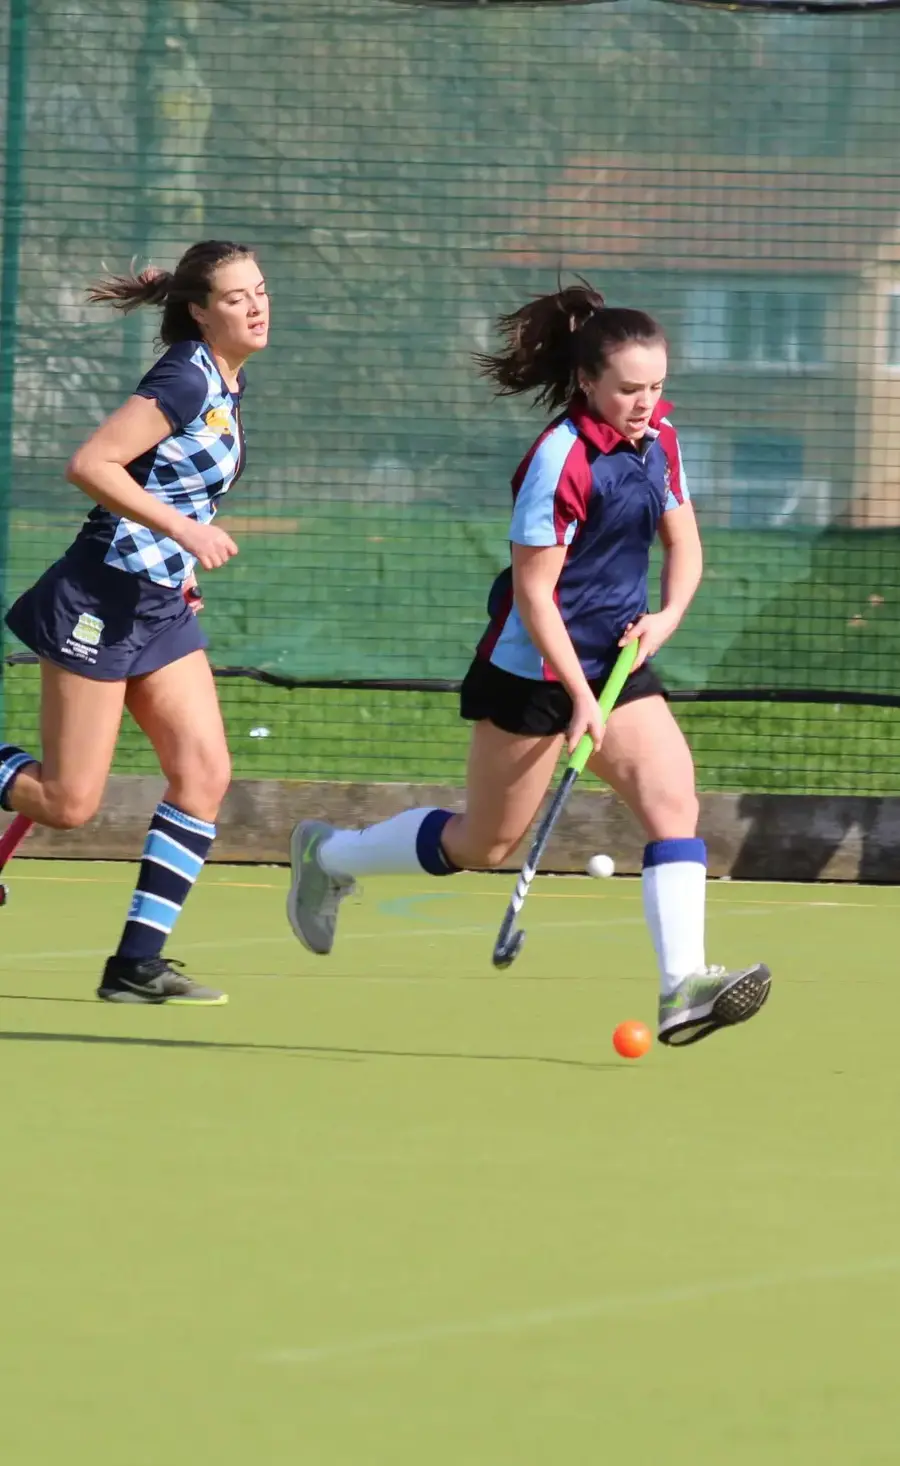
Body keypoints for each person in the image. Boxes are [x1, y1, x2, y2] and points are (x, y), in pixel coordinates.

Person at [286, 280, 770, 1047]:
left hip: (616, 656)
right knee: (486, 843)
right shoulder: (559, 459)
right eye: (629, 389)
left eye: (658, 387)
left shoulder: (661, 442)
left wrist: (666, 618)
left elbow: (684, 543)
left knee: (674, 805)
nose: (646, 403)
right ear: (588, 382)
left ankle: (683, 989)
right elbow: (534, 596)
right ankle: (330, 854)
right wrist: (579, 696)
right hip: (533, 671)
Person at [1, 239, 269, 1004]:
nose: (256, 307)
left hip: (158, 606)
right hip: (100, 600)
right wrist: (184, 536)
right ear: (199, 313)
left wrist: (178, 568)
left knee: (205, 775)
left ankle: (135, 965)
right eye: (235, 297)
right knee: (67, 804)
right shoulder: (184, 376)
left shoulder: (225, 380)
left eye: (260, 291)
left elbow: (174, 486)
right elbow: (93, 464)